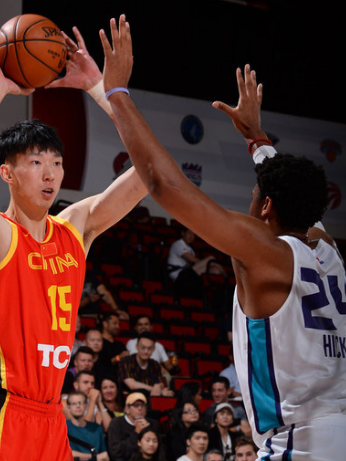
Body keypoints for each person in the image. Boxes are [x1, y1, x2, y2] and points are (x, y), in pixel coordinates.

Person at [100, 16, 345, 460]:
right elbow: (288, 192)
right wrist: (257, 140)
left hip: (301, 444)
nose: (251, 203)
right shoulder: (327, 248)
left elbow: (163, 184)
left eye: (254, 196)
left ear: (266, 207)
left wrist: (116, 91)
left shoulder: (267, 252)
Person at [0, 20, 149, 461]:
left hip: (51, 417)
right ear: (7, 173)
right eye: (36, 162)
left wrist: (100, 88)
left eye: (56, 162)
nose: (50, 173)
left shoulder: (75, 228)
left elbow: (150, 168)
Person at [107, 392, 159, 461]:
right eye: (136, 405)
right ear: (127, 409)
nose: (140, 408)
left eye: (143, 405)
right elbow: (116, 453)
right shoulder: (116, 423)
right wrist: (136, 432)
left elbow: (159, 451)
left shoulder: (152, 424)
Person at [118, 332, 173, 396]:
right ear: (136, 347)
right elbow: (132, 385)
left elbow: (158, 385)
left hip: (148, 398)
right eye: (143, 348)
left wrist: (159, 388)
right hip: (128, 397)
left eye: (149, 348)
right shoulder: (126, 361)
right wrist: (157, 390)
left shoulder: (155, 364)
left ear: (154, 349)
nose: (146, 351)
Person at [66, 391, 109, 461]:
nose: (78, 406)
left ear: (86, 406)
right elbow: (66, 453)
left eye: (81, 403)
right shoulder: (63, 428)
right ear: (68, 407)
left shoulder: (97, 428)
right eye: (74, 403)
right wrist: (94, 456)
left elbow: (104, 455)